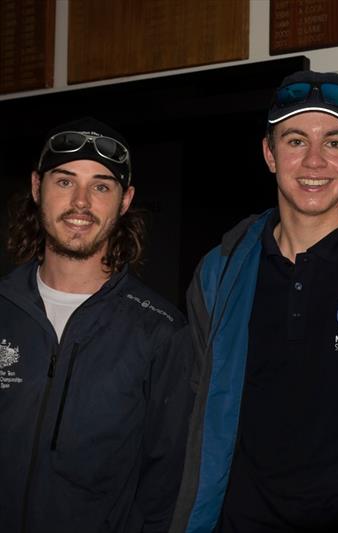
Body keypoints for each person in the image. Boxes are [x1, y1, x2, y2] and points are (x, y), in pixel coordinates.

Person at [169, 70, 338, 532]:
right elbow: (191, 422)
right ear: (269, 154)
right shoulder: (222, 272)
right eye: (296, 141)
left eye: (334, 142)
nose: (314, 161)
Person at [0, 117, 193, 533]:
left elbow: (167, 495)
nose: (81, 202)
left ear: (125, 201)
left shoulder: (161, 334)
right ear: (37, 188)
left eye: (102, 186)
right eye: (65, 181)